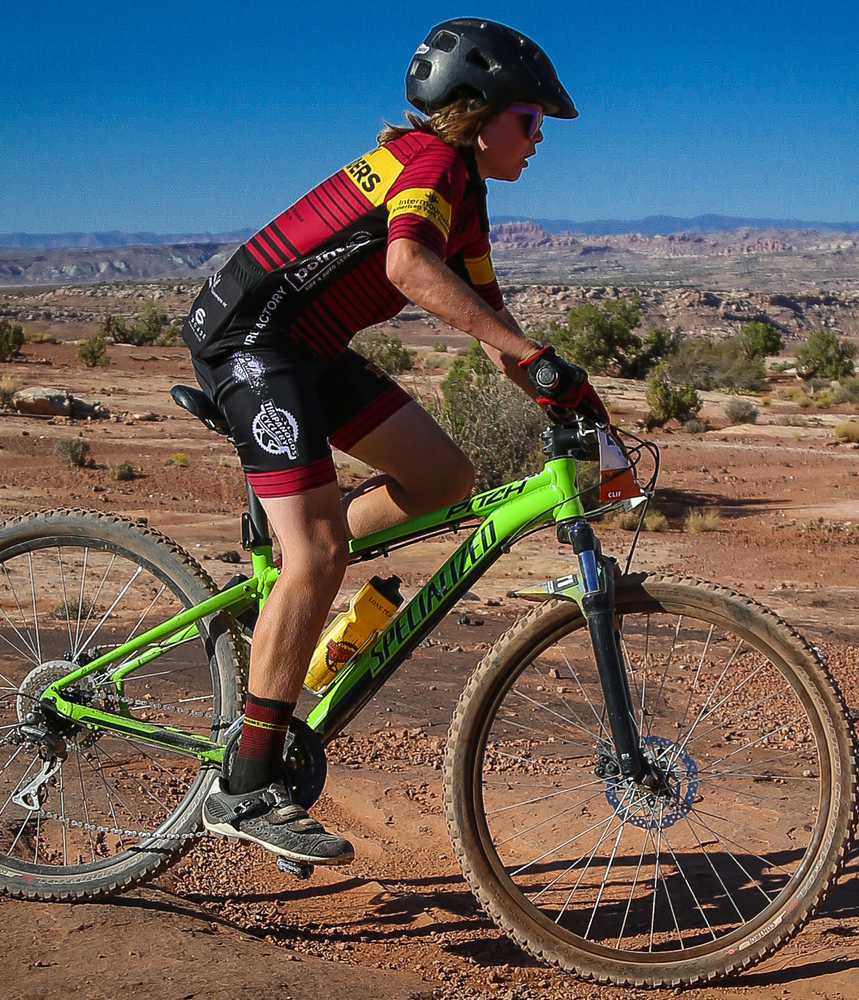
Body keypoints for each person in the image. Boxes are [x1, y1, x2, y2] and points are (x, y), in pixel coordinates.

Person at [179, 17, 608, 867]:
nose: (539, 139)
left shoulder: (467, 201)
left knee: (444, 476)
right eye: (530, 120)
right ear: (479, 115)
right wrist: (532, 357)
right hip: (250, 340)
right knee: (321, 553)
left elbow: (492, 326)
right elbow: (407, 266)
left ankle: (294, 557)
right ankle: (245, 785)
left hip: (306, 351)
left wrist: (567, 391)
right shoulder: (432, 162)